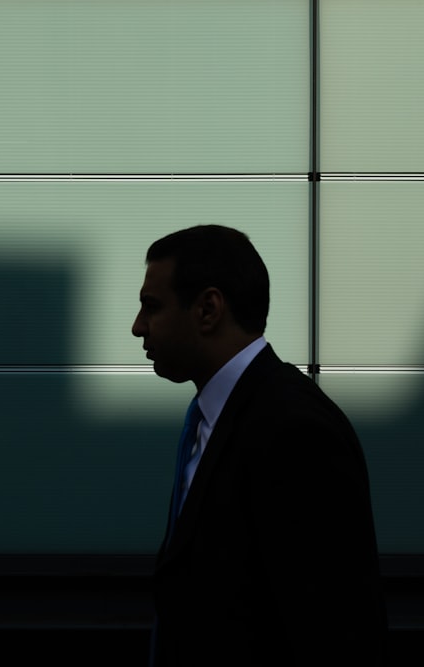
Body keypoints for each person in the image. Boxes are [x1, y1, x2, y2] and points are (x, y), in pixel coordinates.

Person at [132, 225, 386, 665]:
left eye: (151, 307)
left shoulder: (295, 431)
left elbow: (333, 632)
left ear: (208, 309)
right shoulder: (220, 418)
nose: (138, 327)